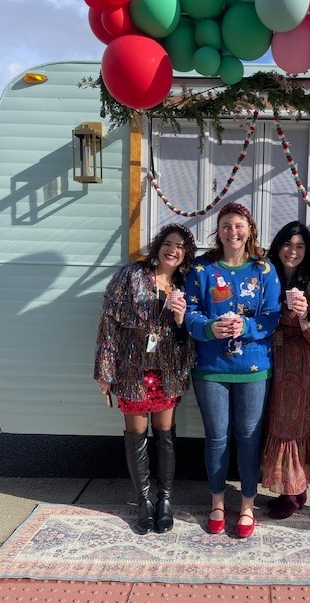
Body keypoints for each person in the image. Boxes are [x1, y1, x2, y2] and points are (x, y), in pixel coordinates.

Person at [184, 202, 281, 538]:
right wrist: (211, 329)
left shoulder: (264, 270)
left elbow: (271, 315)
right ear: (218, 231)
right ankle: (217, 503)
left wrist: (247, 326)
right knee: (216, 438)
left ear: (250, 229)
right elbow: (190, 314)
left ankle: (248, 506)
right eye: (226, 226)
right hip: (211, 367)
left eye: (239, 225)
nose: (233, 232)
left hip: (253, 367)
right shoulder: (202, 269)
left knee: (249, 439)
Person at [94, 223, 197, 535]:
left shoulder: (186, 283)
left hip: (168, 371)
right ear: (158, 246)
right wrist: (105, 370)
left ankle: (164, 500)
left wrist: (181, 317)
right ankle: (144, 502)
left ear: (186, 254)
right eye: (168, 243)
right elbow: (108, 322)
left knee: (165, 433)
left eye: (180, 246)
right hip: (131, 370)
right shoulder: (130, 275)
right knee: (136, 435)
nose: (173, 249)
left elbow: (191, 332)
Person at [261, 221, 310, 519]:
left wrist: (304, 314)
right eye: (287, 244)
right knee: (275, 421)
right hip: (270, 357)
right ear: (278, 246)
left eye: (300, 246)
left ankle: (293, 493)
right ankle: (292, 489)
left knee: (293, 424)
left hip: (302, 361)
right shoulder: (268, 278)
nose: (292, 251)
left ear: (307, 252)